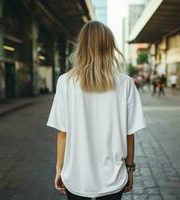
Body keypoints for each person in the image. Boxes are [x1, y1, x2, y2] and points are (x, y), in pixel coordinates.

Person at [46, 20, 147, 200]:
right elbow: (129, 133)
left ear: (81, 46)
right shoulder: (125, 83)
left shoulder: (65, 82)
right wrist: (130, 169)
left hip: (76, 178)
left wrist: (59, 169)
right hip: (113, 178)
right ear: (109, 47)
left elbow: (63, 133)